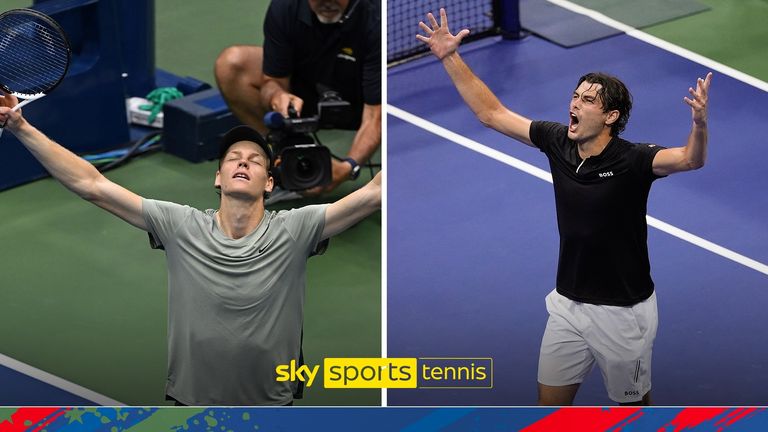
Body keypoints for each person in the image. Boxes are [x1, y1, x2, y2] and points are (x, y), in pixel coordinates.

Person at [0, 92, 381, 406]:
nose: (243, 162)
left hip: (270, 409)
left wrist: (445, 62)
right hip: (190, 406)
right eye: (233, 158)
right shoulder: (181, 225)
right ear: (218, 177)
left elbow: (375, 192)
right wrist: (19, 125)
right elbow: (92, 185)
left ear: (269, 183)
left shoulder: (296, 228)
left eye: (254, 160)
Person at [417, 8, 712, 406]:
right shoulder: (558, 141)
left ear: (610, 116)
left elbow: (690, 160)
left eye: (588, 100)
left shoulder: (634, 160)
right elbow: (492, 114)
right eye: (575, 95)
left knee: (633, 412)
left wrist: (699, 124)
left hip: (624, 312)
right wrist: (450, 56)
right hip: (568, 304)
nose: (574, 104)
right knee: (549, 412)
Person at [215, 0, 381, 196]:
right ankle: (281, 159)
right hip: (305, 95)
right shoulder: (285, 7)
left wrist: (348, 167)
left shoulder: (375, 15)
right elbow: (272, 81)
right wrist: (278, 95)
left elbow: (375, 115)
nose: (327, 3)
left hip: (362, 101)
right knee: (232, 64)